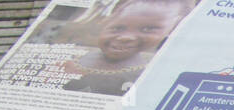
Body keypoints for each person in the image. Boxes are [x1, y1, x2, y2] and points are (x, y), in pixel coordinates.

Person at [63, 0, 194, 96]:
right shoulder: (71, 56)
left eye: (147, 29)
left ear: (171, 31)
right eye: (118, 28)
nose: (126, 37)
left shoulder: (153, 70)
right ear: (104, 24)